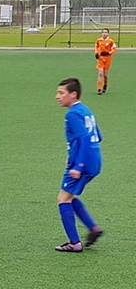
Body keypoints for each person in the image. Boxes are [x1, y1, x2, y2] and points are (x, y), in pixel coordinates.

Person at [53, 78, 104, 253]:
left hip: (82, 163)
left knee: (63, 199)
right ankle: (93, 228)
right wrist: (72, 154)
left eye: (62, 93)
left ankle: (74, 243)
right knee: (70, 196)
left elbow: (84, 138)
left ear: (73, 94)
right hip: (95, 160)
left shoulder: (72, 114)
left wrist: (78, 164)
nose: (57, 96)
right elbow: (97, 136)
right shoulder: (85, 110)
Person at [94, 28, 117, 95]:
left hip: (108, 59)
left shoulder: (111, 41)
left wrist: (108, 53)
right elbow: (96, 47)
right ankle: (99, 89)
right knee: (100, 73)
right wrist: (96, 53)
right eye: (103, 32)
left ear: (108, 33)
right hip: (101, 59)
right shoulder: (98, 40)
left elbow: (115, 49)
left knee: (105, 75)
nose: (104, 34)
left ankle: (105, 84)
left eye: (106, 32)